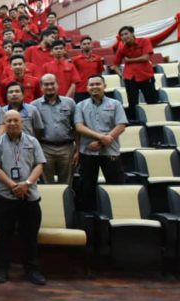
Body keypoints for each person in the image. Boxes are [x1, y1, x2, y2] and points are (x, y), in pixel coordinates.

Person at [0, 110, 47, 285]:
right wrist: (13, 186)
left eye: (15, 120)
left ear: (22, 122)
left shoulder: (32, 141)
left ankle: (32, 270)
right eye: (8, 121)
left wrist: (26, 184)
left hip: (29, 196)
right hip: (6, 197)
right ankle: (1, 269)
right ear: (4, 124)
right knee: (4, 235)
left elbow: (39, 165)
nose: (12, 123)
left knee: (30, 236)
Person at [74, 74, 128, 210]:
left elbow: (121, 125)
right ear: (87, 88)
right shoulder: (80, 106)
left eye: (98, 84)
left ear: (105, 86)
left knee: (116, 186)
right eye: (91, 85)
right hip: (88, 152)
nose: (94, 87)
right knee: (87, 188)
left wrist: (102, 142)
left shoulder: (115, 104)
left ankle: (118, 213)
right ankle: (91, 218)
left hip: (110, 151)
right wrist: (101, 137)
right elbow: (79, 127)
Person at [32, 74, 78, 185]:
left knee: (67, 184)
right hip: (45, 149)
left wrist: (77, 150)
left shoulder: (70, 103)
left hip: (67, 148)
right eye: (46, 84)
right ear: (41, 87)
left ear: (57, 85)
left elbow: (76, 127)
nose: (49, 87)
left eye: (52, 83)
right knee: (47, 184)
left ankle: (66, 202)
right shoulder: (34, 106)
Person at [113, 25, 159, 121]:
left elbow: (146, 57)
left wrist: (129, 60)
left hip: (146, 76)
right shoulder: (122, 49)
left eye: (126, 33)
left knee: (152, 101)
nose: (124, 36)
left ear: (132, 33)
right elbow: (115, 65)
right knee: (132, 103)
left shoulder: (144, 41)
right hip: (130, 78)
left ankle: (155, 120)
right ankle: (134, 122)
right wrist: (121, 75)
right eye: (122, 35)